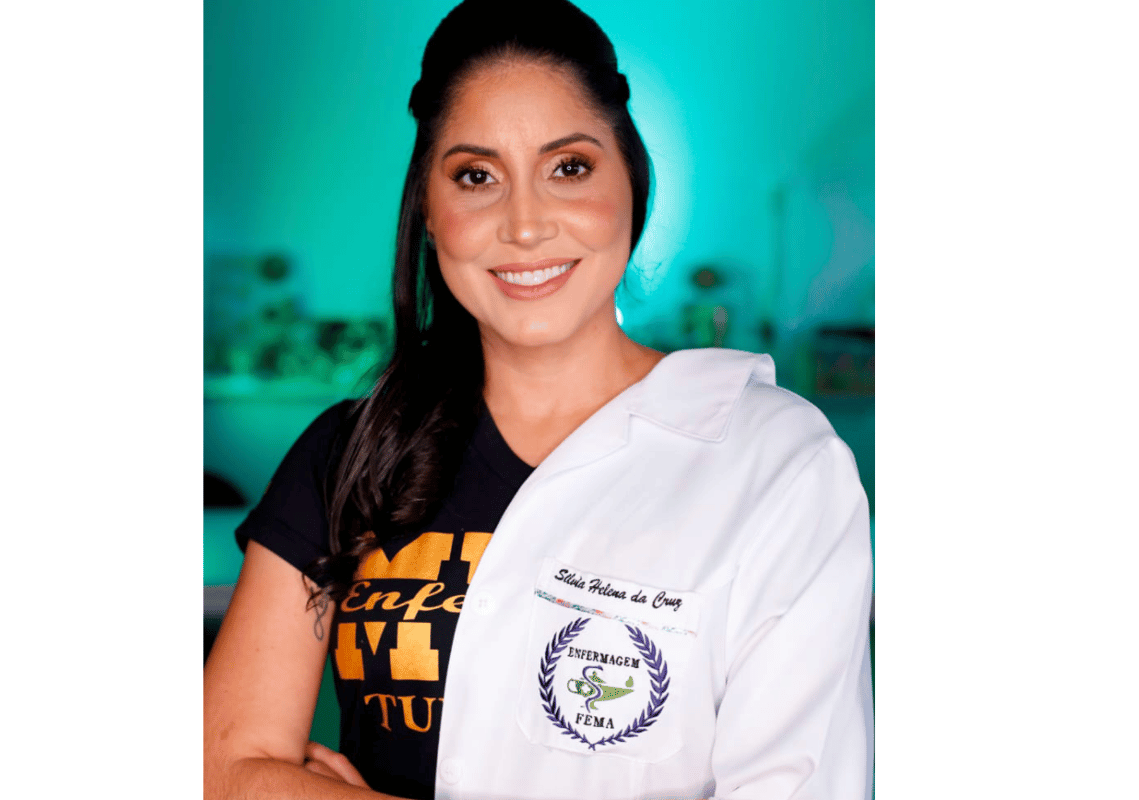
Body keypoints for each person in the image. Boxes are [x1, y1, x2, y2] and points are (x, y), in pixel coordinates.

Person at [203, 1, 873, 798]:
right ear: (429, 211)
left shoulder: (777, 465)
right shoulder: (352, 451)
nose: (524, 226)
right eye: (476, 176)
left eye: (569, 168)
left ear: (632, 183)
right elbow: (221, 772)